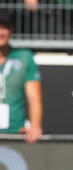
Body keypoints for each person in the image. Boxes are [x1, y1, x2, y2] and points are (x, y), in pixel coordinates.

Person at [0, 9, 43, 143]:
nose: (1, 32)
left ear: (11, 30)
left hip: (15, 133)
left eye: (5, 27)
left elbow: (34, 98)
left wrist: (35, 126)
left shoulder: (24, 58)